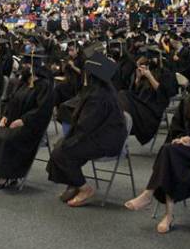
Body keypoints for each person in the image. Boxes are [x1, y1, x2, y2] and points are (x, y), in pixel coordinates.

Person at [124, 60, 190, 233]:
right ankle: (168, 214)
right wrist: (180, 139)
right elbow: (176, 128)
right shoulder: (187, 103)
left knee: (169, 154)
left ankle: (150, 195)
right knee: (170, 154)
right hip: (182, 151)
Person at [46, 51, 128, 207]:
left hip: (106, 140)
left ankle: (84, 188)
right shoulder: (102, 89)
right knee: (61, 147)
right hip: (99, 134)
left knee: (64, 150)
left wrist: (71, 138)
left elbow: (86, 125)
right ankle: (74, 183)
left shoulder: (99, 96)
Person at [0, 52, 57, 189]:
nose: (24, 66)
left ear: (35, 66)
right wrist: (5, 116)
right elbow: (11, 101)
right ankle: (2, 172)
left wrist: (23, 120)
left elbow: (42, 110)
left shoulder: (44, 85)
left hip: (32, 126)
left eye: (27, 64)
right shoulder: (22, 82)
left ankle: (7, 175)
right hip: (13, 122)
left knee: (8, 140)